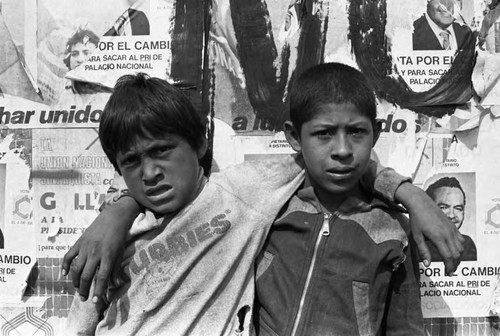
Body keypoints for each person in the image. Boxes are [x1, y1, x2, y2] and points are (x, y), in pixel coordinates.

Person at [63, 73, 463, 334]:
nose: (150, 173)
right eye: (131, 162)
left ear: (201, 143)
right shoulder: (108, 241)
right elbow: (80, 319)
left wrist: (413, 196)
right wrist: (117, 213)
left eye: (163, 151)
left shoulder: (243, 194)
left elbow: (337, 157)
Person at [254, 62, 424, 335]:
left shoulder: (392, 230)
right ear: (295, 137)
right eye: (324, 133)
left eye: (357, 132)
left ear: (376, 134)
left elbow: (405, 328)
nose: (343, 150)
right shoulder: (269, 211)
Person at [425, 176, 477, 261]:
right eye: (444, 207)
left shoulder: (467, 244)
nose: (452, 215)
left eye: (458, 208)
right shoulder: (414, 245)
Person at [57, 28, 111, 108]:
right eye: (74, 54)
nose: (80, 59)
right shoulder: (65, 96)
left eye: (86, 53)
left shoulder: (109, 96)